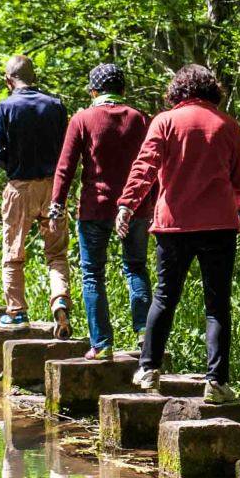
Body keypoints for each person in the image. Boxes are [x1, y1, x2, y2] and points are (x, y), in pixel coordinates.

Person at [115, 63, 240, 404]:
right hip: (219, 225)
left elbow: (144, 167)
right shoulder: (227, 125)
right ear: (211, 91)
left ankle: (148, 369)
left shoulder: (164, 122)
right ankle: (216, 382)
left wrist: (127, 205)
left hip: (173, 225)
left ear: (177, 91)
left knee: (164, 297)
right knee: (217, 305)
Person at [49, 62, 151, 360]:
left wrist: (57, 204)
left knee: (93, 274)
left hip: (95, 208)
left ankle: (102, 344)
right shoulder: (141, 119)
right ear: (123, 90)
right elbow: (152, 165)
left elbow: (65, 167)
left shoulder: (83, 119)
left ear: (93, 90)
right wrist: (153, 203)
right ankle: (144, 331)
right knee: (136, 267)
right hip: (135, 208)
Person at [0, 53, 72, 333]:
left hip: (20, 187)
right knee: (57, 253)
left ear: (7, 80)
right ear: (34, 78)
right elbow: (66, 148)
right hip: (53, 187)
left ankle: (16, 312)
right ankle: (60, 301)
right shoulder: (56, 106)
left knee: (13, 252)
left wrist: (14, 166)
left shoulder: (3, 108)